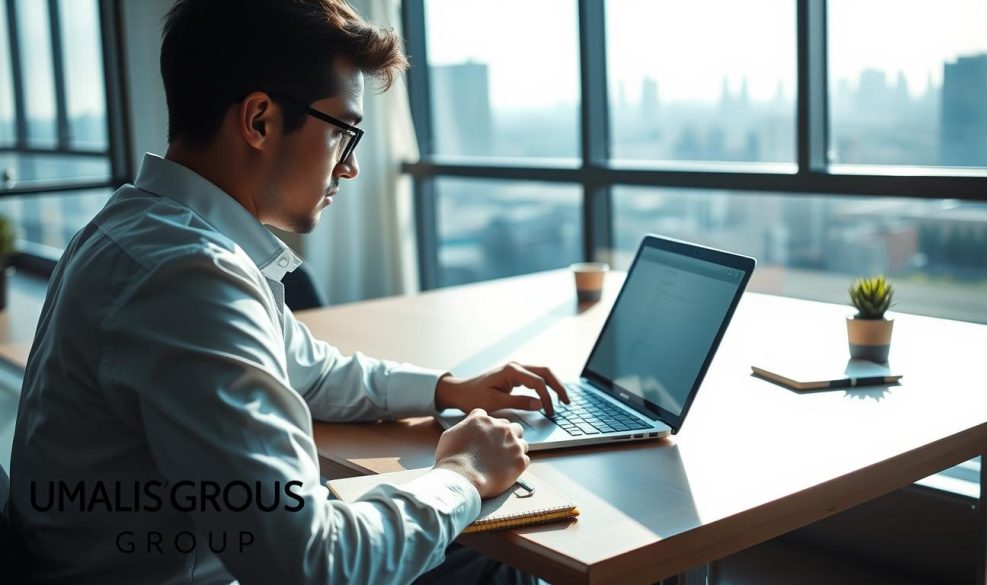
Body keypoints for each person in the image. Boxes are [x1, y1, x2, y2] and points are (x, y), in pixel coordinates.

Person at [8, 0, 569, 583]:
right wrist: (464, 475)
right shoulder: (186, 276)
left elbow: (310, 370)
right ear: (259, 120)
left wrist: (448, 388)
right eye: (344, 133)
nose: (349, 168)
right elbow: (314, 566)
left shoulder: (141, 228)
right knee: (501, 559)